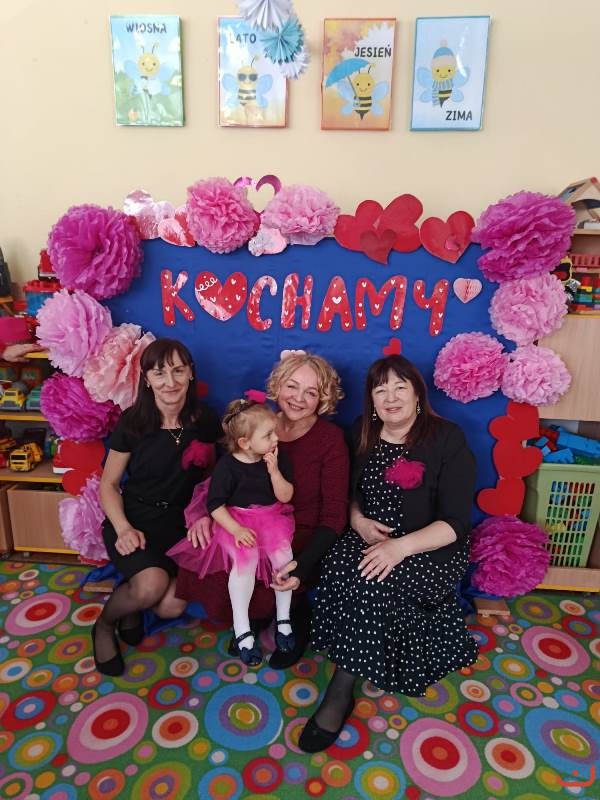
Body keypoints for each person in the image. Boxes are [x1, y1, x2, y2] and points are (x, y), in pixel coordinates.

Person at [299, 354, 479, 753]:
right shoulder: (362, 432)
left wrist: (399, 548)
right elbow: (346, 493)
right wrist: (358, 521)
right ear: (372, 400)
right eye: (381, 390)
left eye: (400, 387)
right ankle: (350, 646)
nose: (391, 397)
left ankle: (339, 692)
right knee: (336, 564)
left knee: (371, 583)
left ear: (417, 395)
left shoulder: (446, 438)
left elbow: (456, 523)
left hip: (429, 545)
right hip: (370, 533)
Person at [176, 351, 350, 669]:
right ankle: (249, 622)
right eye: (292, 386)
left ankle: (292, 615)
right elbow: (221, 478)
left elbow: (334, 514)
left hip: (301, 533)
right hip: (246, 522)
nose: (298, 398)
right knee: (230, 557)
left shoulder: (330, 440)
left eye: (311, 392)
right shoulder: (256, 423)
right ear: (278, 386)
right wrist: (202, 514)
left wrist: (302, 566)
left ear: (323, 399)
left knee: (282, 569)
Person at [93, 338, 222, 676]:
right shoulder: (133, 423)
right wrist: (123, 528)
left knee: (170, 606)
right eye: (159, 373)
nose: (170, 382)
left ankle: (133, 602)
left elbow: (216, 473)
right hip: (136, 517)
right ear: (147, 379)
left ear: (191, 373)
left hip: (180, 524)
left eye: (178, 371)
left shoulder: (204, 419)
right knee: (150, 585)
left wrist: (205, 513)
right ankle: (105, 624)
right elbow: (108, 485)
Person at [169, 398, 295, 666]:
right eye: (268, 435)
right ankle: (242, 629)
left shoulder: (275, 458)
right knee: (245, 563)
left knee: (284, 558)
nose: (276, 438)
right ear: (245, 443)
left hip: (271, 519)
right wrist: (236, 530)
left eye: (274, 432)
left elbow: (286, 496)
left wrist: (274, 471)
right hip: (235, 521)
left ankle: (284, 619)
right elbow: (214, 505)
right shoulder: (227, 466)